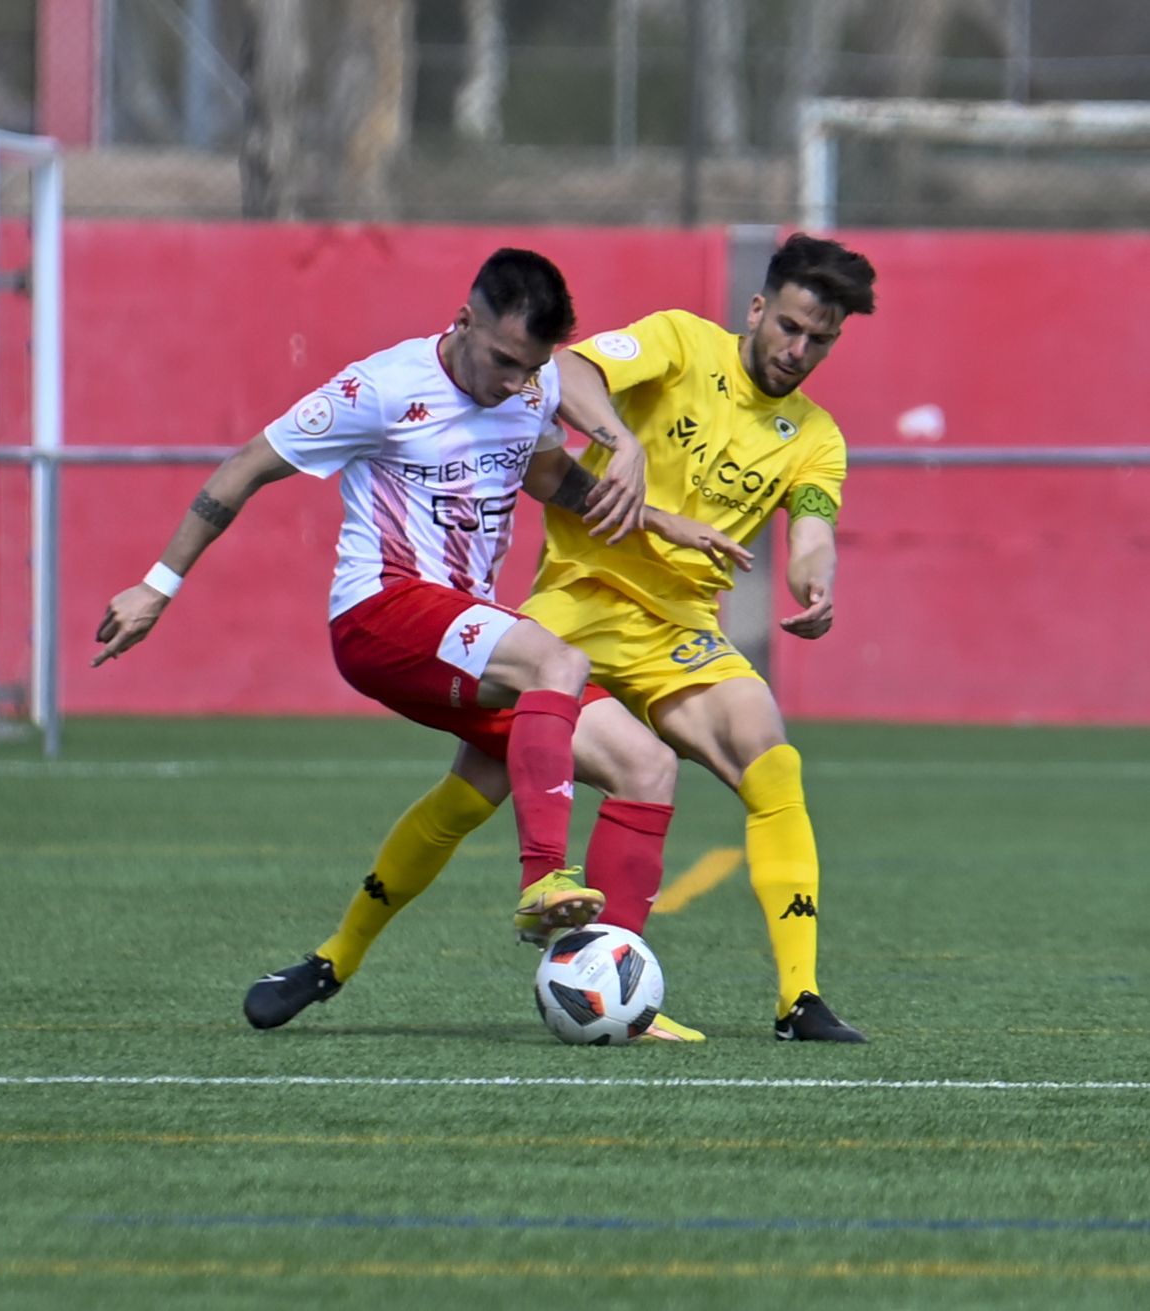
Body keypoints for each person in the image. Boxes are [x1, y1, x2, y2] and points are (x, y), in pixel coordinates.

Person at [93, 247, 739, 1040]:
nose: (512, 381)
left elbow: (551, 481)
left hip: (465, 630)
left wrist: (657, 519)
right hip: (379, 613)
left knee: (643, 766)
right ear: (462, 319)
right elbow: (245, 467)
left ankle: (584, 987)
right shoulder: (382, 388)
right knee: (557, 661)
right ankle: (543, 880)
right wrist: (158, 584)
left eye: (527, 366)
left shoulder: (530, 388)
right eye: (502, 359)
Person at [260, 232, 876, 1043]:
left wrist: (814, 575)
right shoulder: (679, 340)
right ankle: (332, 958)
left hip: (678, 632)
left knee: (770, 754)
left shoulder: (815, 436)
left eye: (819, 339)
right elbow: (573, 370)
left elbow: (813, 526)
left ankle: (793, 999)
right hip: (574, 605)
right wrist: (619, 439)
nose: (798, 350)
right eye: (790, 326)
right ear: (757, 309)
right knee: (474, 787)